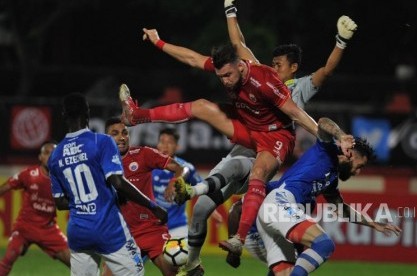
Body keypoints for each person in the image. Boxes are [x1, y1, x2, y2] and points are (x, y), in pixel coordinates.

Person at [139, 2, 358, 272]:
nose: (274, 68)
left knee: (247, 173)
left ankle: (235, 232)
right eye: (273, 63)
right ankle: (196, 263)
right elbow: (235, 43)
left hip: (266, 150)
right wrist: (230, 11)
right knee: (202, 209)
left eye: (279, 64)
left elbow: (325, 73)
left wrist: (341, 42)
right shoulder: (255, 74)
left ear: (294, 68)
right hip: (245, 145)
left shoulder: (298, 88)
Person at [254, 117, 402, 275]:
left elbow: (341, 209)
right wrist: (342, 136)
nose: (357, 172)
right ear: (350, 154)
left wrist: (372, 224)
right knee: (324, 245)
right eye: (360, 166)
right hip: (280, 203)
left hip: (275, 211)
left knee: (285, 272)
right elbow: (323, 123)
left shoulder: (331, 180)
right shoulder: (326, 149)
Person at [48, 93, 168, 275]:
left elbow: (60, 203)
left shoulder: (55, 156)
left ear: (63, 115)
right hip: (108, 228)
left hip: (78, 231)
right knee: (136, 273)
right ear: (88, 114)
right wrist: (153, 206)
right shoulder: (101, 142)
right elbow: (118, 182)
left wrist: (82, 202)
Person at [103, 117, 191, 276]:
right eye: (115, 133)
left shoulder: (143, 154)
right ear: (105, 137)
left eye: (125, 133)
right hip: (121, 233)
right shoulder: (99, 163)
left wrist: (174, 181)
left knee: (172, 272)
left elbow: (181, 169)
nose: (122, 137)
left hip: (150, 228)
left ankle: (189, 268)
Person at [0, 141, 70, 275]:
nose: (50, 156)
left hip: (49, 230)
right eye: (47, 153)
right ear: (40, 157)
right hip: (24, 227)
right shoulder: (29, 174)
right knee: (9, 256)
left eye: (54, 153)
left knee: (77, 263)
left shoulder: (63, 179)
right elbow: (6, 186)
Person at [152, 127, 203, 238]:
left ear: (177, 146)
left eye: (169, 142)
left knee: (182, 255)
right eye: (162, 142)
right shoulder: (149, 167)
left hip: (177, 226)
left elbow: (202, 187)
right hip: (153, 225)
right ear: (157, 145)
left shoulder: (187, 167)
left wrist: (211, 209)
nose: (165, 146)